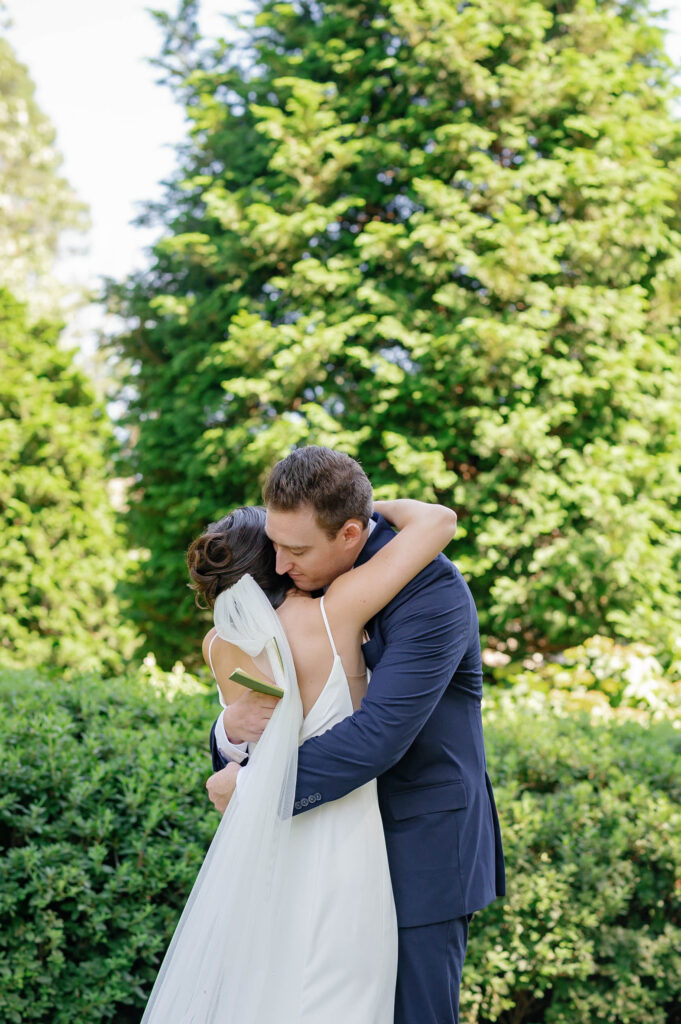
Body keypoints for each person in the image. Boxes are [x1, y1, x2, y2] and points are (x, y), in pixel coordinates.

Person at [208, 446, 505, 1024]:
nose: (279, 566)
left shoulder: (432, 593)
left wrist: (254, 791)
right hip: (316, 853)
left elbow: (379, 734)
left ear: (349, 533)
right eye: (275, 545)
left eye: (296, 551)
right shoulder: (305, 578)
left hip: (417, 847)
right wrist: (229, 734)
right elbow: (277, 703)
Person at [140, 495, 458, 1024]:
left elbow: (248, 741)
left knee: (264, 990)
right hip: (343, 839)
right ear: (272, 561)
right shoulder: (336, 612)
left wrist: (228, 733)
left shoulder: (219, 643)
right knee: (337, 994)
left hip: (265, 845)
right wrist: (348, 508)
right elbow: (437, 521)